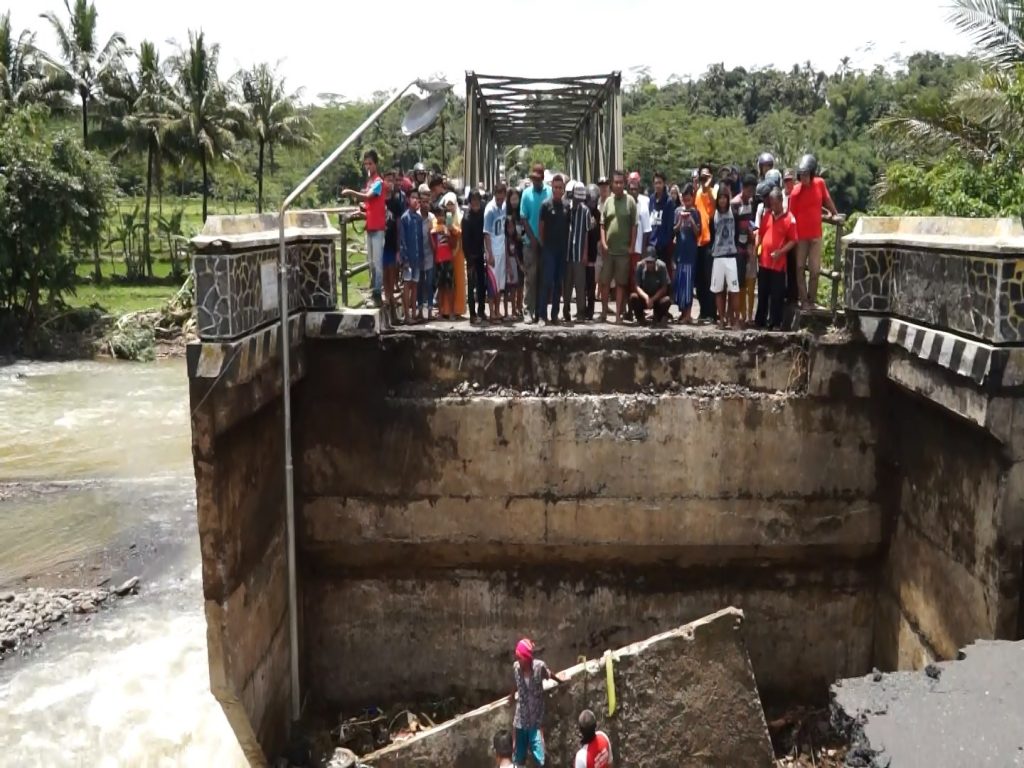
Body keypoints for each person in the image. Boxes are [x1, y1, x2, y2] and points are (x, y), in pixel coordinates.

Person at [788, 154, 841, 309]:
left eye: (806, 174)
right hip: (801, 237)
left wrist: (835, 214)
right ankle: (804, 300)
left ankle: (812, 300)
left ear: (811, 174)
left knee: (815, 270)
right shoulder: (796, 192)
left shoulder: (820, 184)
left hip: (815, 235)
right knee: (799, 267)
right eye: (801, 175)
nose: (803, 178)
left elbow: (827, 199)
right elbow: (791, 217)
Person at [341, 149, 386, 308]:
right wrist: (360, 210)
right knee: (371, 262)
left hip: (378, 228)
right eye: (366, 164)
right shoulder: (369, 183)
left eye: (370, 163)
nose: (368, 166)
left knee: (377, 263)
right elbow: (369, 205)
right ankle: (374, 291)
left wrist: (351, 192)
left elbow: (368, 197)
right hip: (370, 227)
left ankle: (377, 294)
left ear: (376, 164)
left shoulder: (378, 183)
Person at [510, 638, 559, 768]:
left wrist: (560, 680)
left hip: (536, 720)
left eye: (520, 658)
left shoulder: (539, 667)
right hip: (521, 719)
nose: (518, 660)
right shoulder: (516, 668)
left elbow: (549, 674)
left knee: (540, 758)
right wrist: (511, 697)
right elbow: (516, 683)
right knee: (518, 758)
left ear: (527, 658)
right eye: (517, 657)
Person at [599, 170, 638, 324]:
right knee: (604, 282)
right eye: (616, 182)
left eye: (621, 182)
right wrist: (603, 242)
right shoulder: (608, 201)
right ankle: (603, 313)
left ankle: (617, 316)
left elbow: (634, 226)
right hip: (609, 251)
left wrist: (632, 246)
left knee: (621, 284)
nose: (618, 185)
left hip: (623, 251)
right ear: (612, 184)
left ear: (624, 183)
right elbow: (602, 225)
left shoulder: (630, 202)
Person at [756, 188, 797, 330]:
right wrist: (758, 248)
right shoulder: (767, 215)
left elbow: (793, 240)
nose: (773, 207)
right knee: (762, 292)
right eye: (771, 204)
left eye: (775, 203)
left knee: (776, 295)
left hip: (778, 263)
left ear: (781, 201)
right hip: (764, 261)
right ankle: (760, 321)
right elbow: (760, 233)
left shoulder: (789, 218)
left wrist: (781, 252)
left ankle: (775, 323)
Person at [535, 174, 570, 325]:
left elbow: (569, 227)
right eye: (555, 187)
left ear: (563, 190)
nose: (557, 190)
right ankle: (542, 315)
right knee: (547, 282)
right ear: (552, 188)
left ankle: (554, 315)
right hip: (549, 249)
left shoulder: (567, 206)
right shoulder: (545, 205)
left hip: (562, 250)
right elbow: (541, 227)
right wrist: (544, 245)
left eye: (560, 188)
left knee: (558, 283)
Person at [520, 163, 552, 322]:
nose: (535, 182)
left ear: (543, 178)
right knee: (530, 278)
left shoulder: (550, 192)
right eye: (533, 179)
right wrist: (532, 238)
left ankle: (540, 312)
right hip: (530, 243)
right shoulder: (526, 194)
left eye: (538, 179)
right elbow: (523, 217)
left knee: (543, 279)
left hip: (546, 242)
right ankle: (528, 311)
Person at [709, 185, 741, 329]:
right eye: (720, 198)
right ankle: (722, 320)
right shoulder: (713, 215)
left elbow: (739, 231)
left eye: (724, 198)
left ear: (728, 199)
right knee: (719, 290)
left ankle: (735, 320)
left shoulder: (733, 213)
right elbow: (712, 234)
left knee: (734, 290)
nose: (722, 200)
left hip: (731, 255)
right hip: (718, 256)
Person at [673, 183, 701, 324]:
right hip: (679, 253)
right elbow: (675, 230)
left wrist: (690, 220)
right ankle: (682, 312)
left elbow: (698, 233)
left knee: (688, 285)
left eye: (688, 198)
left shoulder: (695, 213)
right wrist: (680, 221)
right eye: (684, 198)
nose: (686, 201)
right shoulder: (677, 211)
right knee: (680, 284)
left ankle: (688, 314)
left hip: (690, 254)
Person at [732, 175, 758, 325]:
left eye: (752, 190)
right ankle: (740, 315)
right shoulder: (735, 203)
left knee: (749, 280)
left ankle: (748, 315)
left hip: (748, 244)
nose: (750, 193)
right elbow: (733, 226)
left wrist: (752, 233)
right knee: (739, 282)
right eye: (749, 190)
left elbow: (750, 221)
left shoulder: (750, 201)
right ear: (743, 188)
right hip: (737, 247)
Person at [564, 182, 592, 322]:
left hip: (579, 252)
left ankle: (581, 313)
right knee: (567, 284)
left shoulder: (586, 211)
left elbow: (587, 233)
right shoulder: (566, 208)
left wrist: (585, 254)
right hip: (567, 253)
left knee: (580, 285)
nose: (578, 201)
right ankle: (566, 311)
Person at [693, 165, 717, 322]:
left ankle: (712, 312)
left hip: (710, 239)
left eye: (706, 176)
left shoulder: (713, 192)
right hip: (698, 240)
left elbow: (716, 208)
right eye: (702, 176)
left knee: (710, 278)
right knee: (700, 279)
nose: (704, 179)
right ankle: (703, 310)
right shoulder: (697, 193)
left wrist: (709, 187)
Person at [626, 172, 652, 315]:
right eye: (631, 188)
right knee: (626, 281)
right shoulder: (623, 202)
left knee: (637, 281)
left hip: (638, 249)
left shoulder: (644, 203)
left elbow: (647, 230)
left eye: (635, 188)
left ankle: (638, 310)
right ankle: (628, 310)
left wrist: (643, 252)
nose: (633, 191)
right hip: (625, 248)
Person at [382, 168, 406, 320]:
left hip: (391, 243)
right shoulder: (378, 199)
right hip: (380, 243)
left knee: (391, 277)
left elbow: (398, 225)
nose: (390, 183)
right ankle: (389, 309)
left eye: (392, 180)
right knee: (383, 277)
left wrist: (399, 247)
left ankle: (392, 311)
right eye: (388, 180)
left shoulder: (396, 202)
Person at [440, 191, 467, 318]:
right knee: (446, 282)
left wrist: (453, 229)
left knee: (459, 280)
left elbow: (462, 232)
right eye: (448, 204)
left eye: (452, 204)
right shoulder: (443, 217)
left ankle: (458, 309)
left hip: (458, 252)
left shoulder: (460, 217)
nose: (450, 207)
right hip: (445, 252)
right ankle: (445, 309)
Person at [397, 189, 423, 325]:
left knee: (415, 286)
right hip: (408, 259)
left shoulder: (418, 219)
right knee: (407, 285)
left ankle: (413, 313)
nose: (414, 200)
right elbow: (402, 241)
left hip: (417, 258)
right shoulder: (404, 218)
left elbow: (420, 240)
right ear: (408, 200)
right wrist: (404, 259)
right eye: (412, 197)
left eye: (416, 198)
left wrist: (421, 258)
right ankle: (407, 315)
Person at [484, 182, 508, 322]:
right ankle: (492, 312)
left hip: (502, 250)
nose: (499, 201)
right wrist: (489, 254)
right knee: (492, 285)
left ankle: (498, 311)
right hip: (493, 250)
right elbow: (486, 234)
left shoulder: (504, 207)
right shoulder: (490, 210)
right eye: (497, 198)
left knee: (499, 284)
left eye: (502, 198)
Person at [629, 247, 671, 325]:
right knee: (633, 297)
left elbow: (664, 287)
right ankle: (640, 319)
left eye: (651, 262)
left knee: (667, 300)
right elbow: (637, 286)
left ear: (655, 260)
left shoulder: (662, 266)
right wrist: (647, 297)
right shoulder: (639, 266)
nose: (649, 264)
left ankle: (658, 317)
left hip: (657, 298)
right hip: (644, 297)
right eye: (647, 262)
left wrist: (653, 299)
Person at [431, 202, 458, 319]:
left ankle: (451, 311)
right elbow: (433, 247)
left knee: (450, 286)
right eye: (438, 215)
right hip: (438, 260)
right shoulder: (433, 229)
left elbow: (453, 245)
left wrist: (448, 235)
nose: (440, 217)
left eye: (442, 215)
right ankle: (441, 311)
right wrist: (430, 234)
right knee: (440, 287)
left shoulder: (449, 228)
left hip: (448, 260)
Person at [463, 189, 487, 323]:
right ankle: (472, 314)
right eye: (473, 200)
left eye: (478, 200)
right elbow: (465, 241)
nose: (476, 202)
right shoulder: (466, 218)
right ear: (470, 202)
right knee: (471, 286)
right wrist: (469, 259)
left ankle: (481, 311)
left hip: (480, 253)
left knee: (482, 285)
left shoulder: (483, 214)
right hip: (471, 256)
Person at [649, 172, 676, 287]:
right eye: (655, 183)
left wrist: (665, 241)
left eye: (660, 183)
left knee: (663, 275)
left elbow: (670, 226)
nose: (657, 185)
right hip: (652, 244)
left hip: (663, 245)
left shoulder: (669, 202)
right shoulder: (651, 199)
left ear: (664, 184)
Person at [416, 183, 436, 322]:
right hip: (418, 254)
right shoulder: (415, 217)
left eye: (427, 202)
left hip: (430, 253)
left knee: (429, 283)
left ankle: (429, 310)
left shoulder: (432, 218)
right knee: (419, 284)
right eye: (423, 202)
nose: (425, 204)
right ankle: (419, 310)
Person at [505, 187, 524, 319]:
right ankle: (511, 308)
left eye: (517, 199)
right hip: (509, 249)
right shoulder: (505, 214)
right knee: (511, 283)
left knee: (521, 281)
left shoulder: (521, 214)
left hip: (520, 248)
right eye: (512, 199)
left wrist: (520, 236)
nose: (514, 201)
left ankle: (519, 306)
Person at [584, 183, 601, 320]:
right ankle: (582, 309)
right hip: (582, 254)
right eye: (590, 199)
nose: (592, 202)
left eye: (594, 200)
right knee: (582, 285)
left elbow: (598, 235)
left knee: (591, 286)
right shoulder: (583, 212)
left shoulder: (598, 214)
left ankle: (590, 311)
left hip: (593, 254)